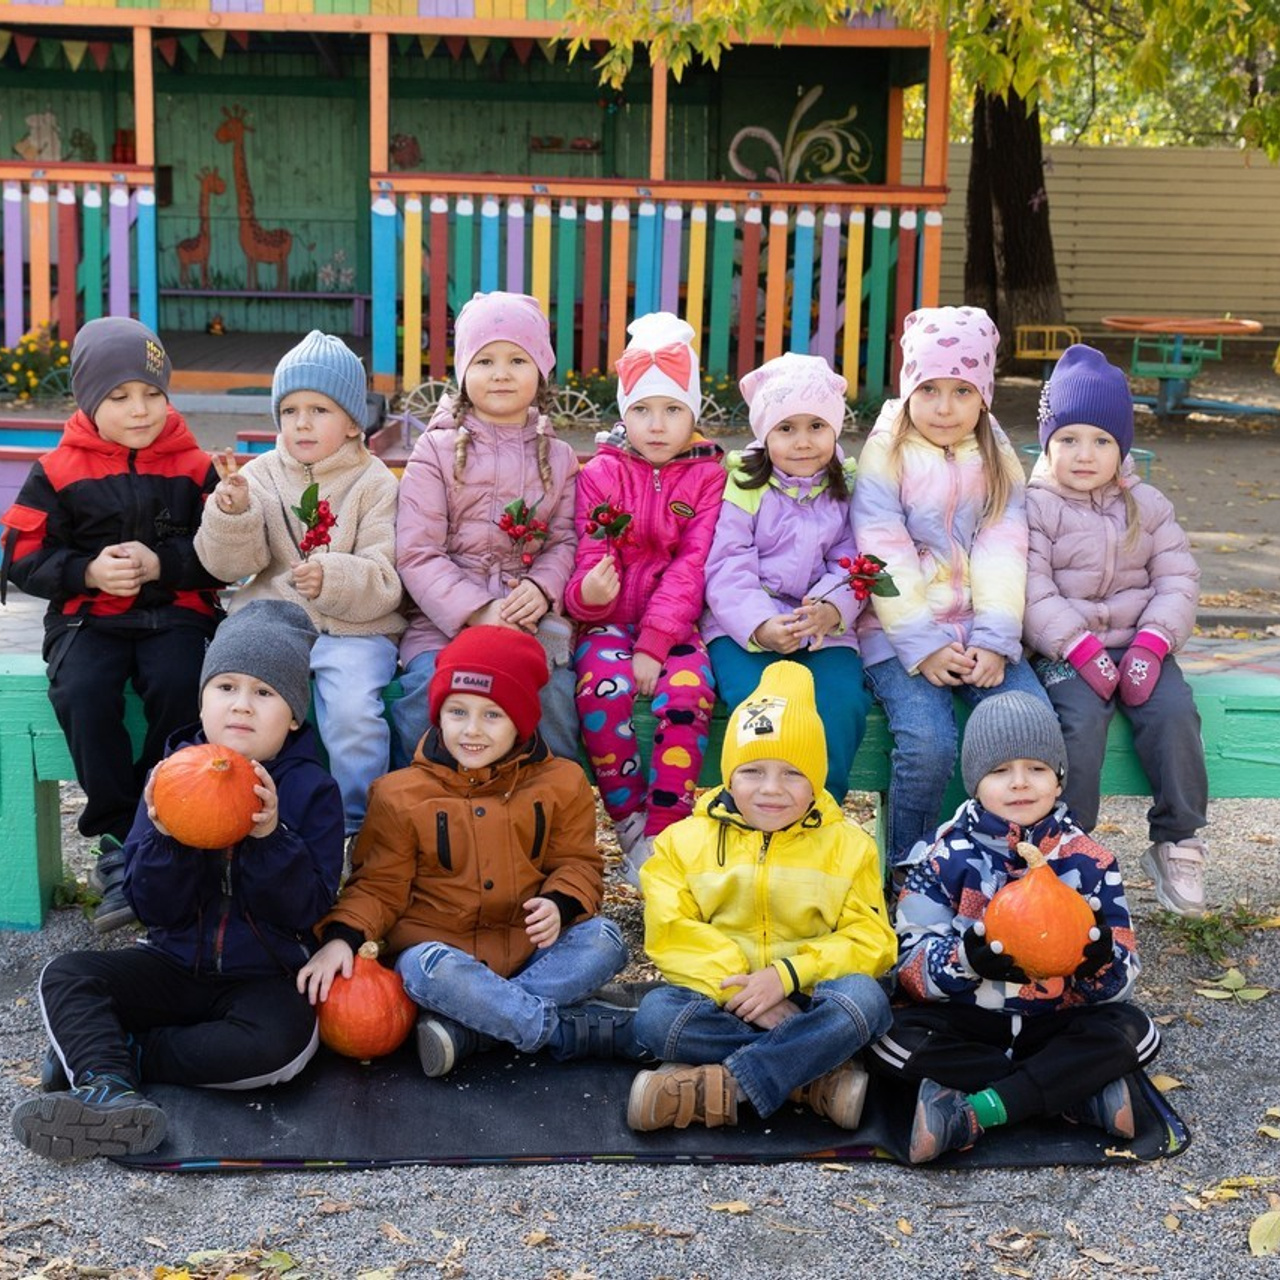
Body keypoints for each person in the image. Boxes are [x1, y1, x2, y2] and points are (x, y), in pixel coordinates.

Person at [11, 601, 345, 1160]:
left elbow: (305, 906)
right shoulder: (169, 777)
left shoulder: (313, 790)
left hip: (262, 974)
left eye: (265, 693)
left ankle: (124, 1059)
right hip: (172, 961)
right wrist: (169, 839)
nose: (242, 705)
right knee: (67, 975)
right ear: (202, 698)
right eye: (226, 687)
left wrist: (270, 839)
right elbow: (152, 906)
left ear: (293, 715)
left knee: (283, 1049)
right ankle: (106, 1089)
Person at [297, 626, 634, 1078]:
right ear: (438, 715)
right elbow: (379, 885)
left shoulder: (562, 782)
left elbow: (577, 862)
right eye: (457, 712)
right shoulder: (399, 795)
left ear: (522, 720)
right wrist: (343, 937)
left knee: (605, 940)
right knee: (421, 966)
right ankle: (561, 1031)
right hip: (446, 958)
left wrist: (560, 903)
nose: (471, 730)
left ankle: (475, 1030)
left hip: (529, 949)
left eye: (493, 715)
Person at [0, 317, 223, 933]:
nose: (140, 409)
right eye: (120, 397)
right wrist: (87, 572)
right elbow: (19, 557)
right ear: (87, 401)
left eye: (153, 393)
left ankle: (162, 826)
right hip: (88, 620)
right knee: (84, 691)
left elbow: (224, 555)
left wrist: (168, 564)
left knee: (182, 684)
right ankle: (118, 837)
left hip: (176, 613)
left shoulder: (194, 465)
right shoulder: (59, 469)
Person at [870, 691, 1158, 1164]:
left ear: (1059, 780)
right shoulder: (939, 856)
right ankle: (1073, 1092)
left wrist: (1101, 962)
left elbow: (1123, 976)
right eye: (1000, 771)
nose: (1020, 783)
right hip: (968, 1020)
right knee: (886, 1037)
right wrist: (966, 960)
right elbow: (910, 966)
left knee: (1134, 1031)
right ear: (975, 782)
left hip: (1054, 1018)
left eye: (1037, 769)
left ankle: (976, 1110)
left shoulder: (1089, 860)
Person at [626, 661, 898, 1133]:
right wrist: (744, 988)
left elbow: (871, 939)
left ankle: (722, 1084)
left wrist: (786, 976)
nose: (771, 790)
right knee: (655, 1017)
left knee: (864, 1002)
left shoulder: (848, 846)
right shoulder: (682, 842)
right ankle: (809, 1078)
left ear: (816, 779)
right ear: (730, 776)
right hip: (722, 1001)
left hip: (810, 1001)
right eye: (752, 771)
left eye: (793, 774)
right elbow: (671, 933)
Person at [852, 305, 1050, 868]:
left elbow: (1004, 543)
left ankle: (1014, 865)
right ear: (908, 388)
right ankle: (910, 870)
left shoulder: (995, 452)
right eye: (930, 389)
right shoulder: (886, 450)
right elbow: (881, 546)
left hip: (982, 629)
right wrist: (924, 644)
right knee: (929, 743)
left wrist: (994, 638)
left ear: (983, 394)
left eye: (962, 391)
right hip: (899, 635)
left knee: (1029, 728)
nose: (944, 407)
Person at [195, 330, 404, 842]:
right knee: (234, 693)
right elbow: (230, 568)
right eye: (290, 411)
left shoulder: (376, 483)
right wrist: (233, 512)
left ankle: (356, 824)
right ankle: (231, 802)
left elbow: (386, 579)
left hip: (353, 629)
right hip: (271, 619)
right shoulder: (261, 476)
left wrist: (333, 575)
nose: (302, 423)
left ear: (354, 421)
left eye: (320, 409)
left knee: (354, 711)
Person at [1023, 345, 1208, 916]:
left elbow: (1178, 577)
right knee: (1077, 728)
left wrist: (1154, 643)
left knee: (1175, 714)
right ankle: (1067, 847)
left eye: (1102, 441)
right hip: (1064, 650)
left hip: (1141, 644)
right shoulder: (1034, 507)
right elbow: (1027, 585)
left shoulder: (1147, 506)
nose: (1085, 454)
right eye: (1069, 439)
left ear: (1122, 447)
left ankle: (1178, 838)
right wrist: (1075, 647)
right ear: (1047, 443)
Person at [565, 312, 726, 886]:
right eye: (641, 410)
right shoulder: (600, 472)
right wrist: (586, 596)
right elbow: (589, 547)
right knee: (603, 692)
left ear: (694, 414)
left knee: (689, 693)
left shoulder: (709, 477)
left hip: (676, 628)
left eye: (673, 410)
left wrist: (656, 644)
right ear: (623, 413)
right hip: (606, 625)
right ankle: (629, 822)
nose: (656, 425)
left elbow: (693, 564)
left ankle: (667, 828)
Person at [392, 291, 579, 764]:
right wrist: (477, 611)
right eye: (485, 360)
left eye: (518, 359)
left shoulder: (558, 458)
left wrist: (541, 588)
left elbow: (564, 539)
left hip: (525, 616)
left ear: (540, 371)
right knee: (427, 693)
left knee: (553, 691)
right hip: (444, 621)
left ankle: (551, 803)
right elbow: (418, 553)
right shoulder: (434, 452)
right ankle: (414, 800)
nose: (500, 373)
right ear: (462, 372)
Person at [703, 351, 868, 806]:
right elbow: (728, 565)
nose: (802, 442)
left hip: (821, 626)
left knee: (841, 701)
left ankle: (822, 806)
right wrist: (760, 625)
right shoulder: (745, 486)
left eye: (816, 426)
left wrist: (830, 609)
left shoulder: (844, 487)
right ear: (765, 432)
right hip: (745, 628)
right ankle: (757, 805)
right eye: (786, 428)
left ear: (835, 428)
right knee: (760, 703)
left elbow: (851, 558)